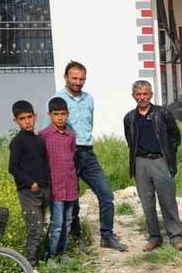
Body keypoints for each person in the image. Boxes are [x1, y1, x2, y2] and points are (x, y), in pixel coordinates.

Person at [52, 61, 127, 251]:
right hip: (67, 153)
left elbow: (88, 125)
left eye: (82, 79)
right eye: (74, 78)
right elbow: (50, 131)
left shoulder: (89, 99)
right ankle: (76, 240)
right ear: (65, 77)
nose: (78, 82)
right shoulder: (57, 99)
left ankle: (107, 236)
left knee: (106, 194)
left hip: (87, 152)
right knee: (72, 200)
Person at [122, 80, 182, 253]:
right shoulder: (129, 118)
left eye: (145, 94)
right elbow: (130, 141)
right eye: (139, 94)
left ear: (151, 95)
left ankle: (176, 236)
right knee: (147, 203)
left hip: (160, 161)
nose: (142, 97)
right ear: (133, 96)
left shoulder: (162, 113)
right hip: (140, 162)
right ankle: (154, 237)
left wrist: (168, 156)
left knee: (168, 201)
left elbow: (174, 137)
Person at [8, 101, 50, 273]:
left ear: (35, 117)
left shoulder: (39, 139)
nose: (27, 121)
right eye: (22, 119)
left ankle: (39, 260)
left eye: (29, 117)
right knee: (35, 229)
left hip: (44, 190)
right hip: (28, 192)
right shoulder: (17, 142)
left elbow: (44, 163)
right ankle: (29, 267)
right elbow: (13, 167)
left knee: (43, 227)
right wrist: (30, 182)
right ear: (15, 121)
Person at [41, 97, 80, 261]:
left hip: (70, 185)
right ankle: (50, 256)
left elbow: (72, 157)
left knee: (68, 221)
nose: (60, 117)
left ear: (67, 114)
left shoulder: (71, 135)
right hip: (55, 187)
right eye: (56, 114)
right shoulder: (44, 135)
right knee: (56, 224)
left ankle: (62, 253)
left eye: (63, 114)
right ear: (50, 115)